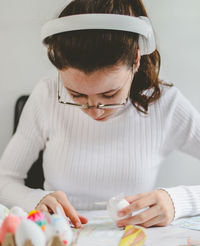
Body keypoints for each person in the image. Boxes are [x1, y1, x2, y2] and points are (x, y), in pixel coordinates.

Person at [0, 0, 200, 229]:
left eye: (109, 94)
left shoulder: (167, 104)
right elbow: (4, 180)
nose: (93, 110)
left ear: (136, 59)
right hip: (59, 241)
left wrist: (179, 201)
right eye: (75, 94)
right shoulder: (46, 96)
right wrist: (33, 200)